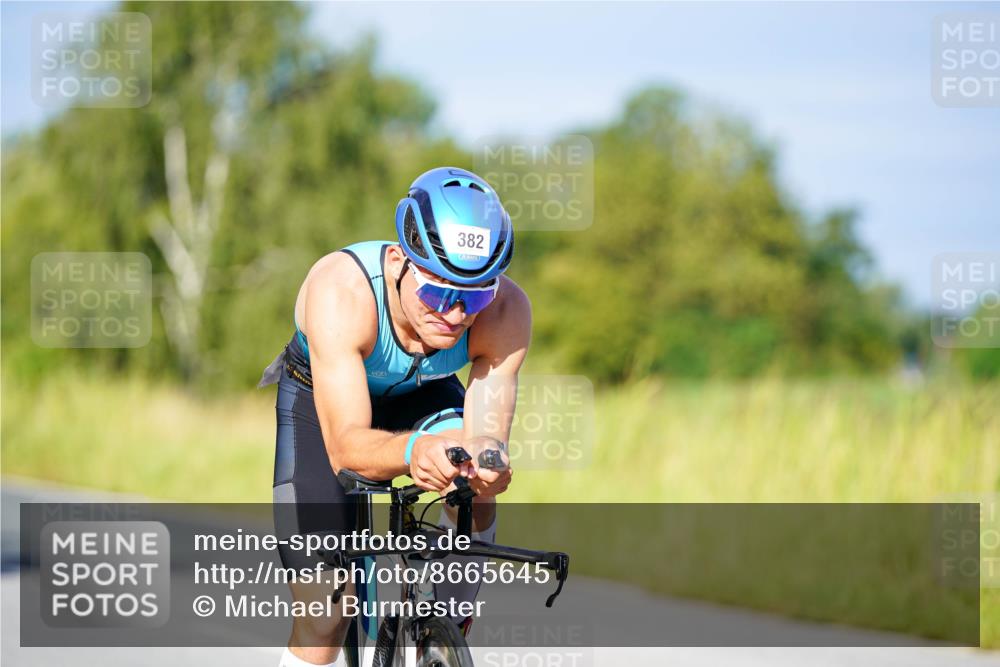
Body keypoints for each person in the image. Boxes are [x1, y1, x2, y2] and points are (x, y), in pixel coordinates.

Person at [259, 167, 530, 667]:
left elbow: (487, 432)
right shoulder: (342, 291)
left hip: (420, 393)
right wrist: (411, 451)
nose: (454, 314)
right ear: (398, 260)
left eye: (473, 297)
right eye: (437, 293)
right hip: (323, 403)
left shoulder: (506, 309)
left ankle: (444, 628)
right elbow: (347, 447)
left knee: (475, 477)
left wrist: (488, 458)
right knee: (324, 617)